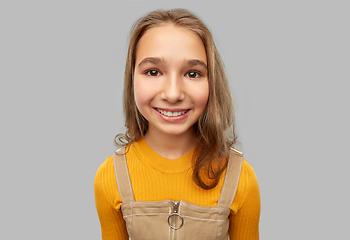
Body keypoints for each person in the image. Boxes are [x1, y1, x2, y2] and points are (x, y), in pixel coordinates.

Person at [94, 8, 260, 240]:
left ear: (212, 82)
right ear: (131, 79)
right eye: (153, 72)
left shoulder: (240, 176)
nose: (173, 94)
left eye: (192, 74)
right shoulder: (110, 176)